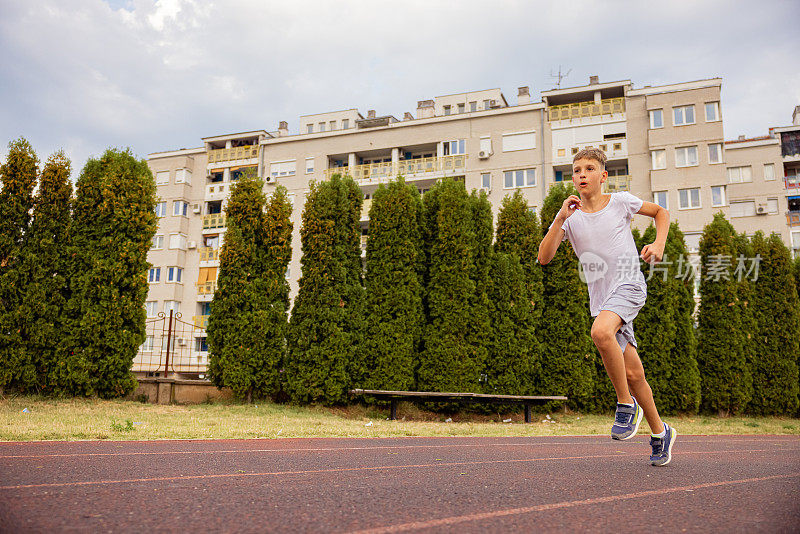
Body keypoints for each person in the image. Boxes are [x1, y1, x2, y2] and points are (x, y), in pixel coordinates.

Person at [537, 148, 676, 466]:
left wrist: (658, 244)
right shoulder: (570, 220)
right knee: (634, 372)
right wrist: (560, 217)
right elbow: (544, 257)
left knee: (600, 332)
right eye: (575, 170)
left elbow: (661, 213)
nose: (581, 174)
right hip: (602, 301)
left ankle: (625, 405)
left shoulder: (621, 202)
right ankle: (660, 433)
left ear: (603, 176)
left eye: (588, 169)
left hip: (628, 287)